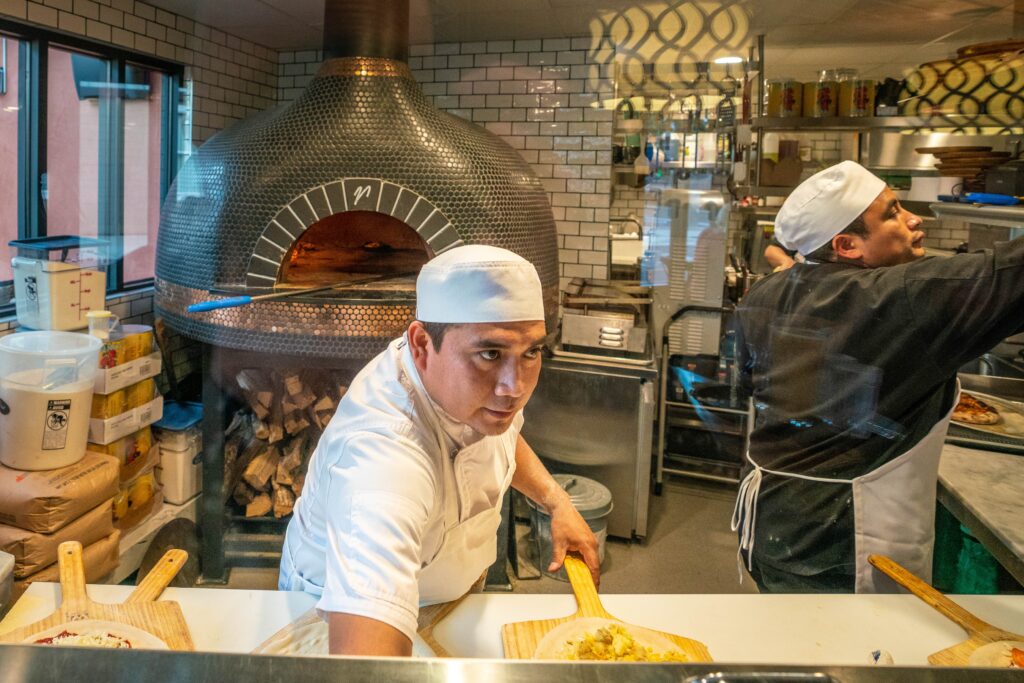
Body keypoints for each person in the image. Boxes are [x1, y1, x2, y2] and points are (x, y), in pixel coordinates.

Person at [279, 244, 600, 655]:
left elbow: (503, 437)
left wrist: (557, 502)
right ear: (420, 345)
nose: (514, 388)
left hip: (452, 605)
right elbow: (364, 662)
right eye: (489, 353)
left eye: (532, 352)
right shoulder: (382, 452)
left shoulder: (480, 399)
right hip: (335, 617)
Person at [731, 160, 1024, 593]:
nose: (913, 218)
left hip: (768, 524)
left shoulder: (766, 291)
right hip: (841, 543)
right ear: (847, 245)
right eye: (891, 213)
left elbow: (750, 381)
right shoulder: (900, 297)